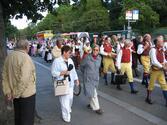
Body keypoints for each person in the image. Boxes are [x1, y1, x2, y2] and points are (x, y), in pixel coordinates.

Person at [2, 39, 36, 125]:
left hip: (15, 94)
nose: (29, 48)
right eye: (28, 46)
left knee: (18, 118)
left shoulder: (9, 56)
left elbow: (4, 76)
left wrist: (8, 92)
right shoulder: (25, 58)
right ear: (25, 47)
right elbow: (24, 80)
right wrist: (15, 93)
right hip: (26, 95)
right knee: (27, 120)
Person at [51, 45, 80, 123]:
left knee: (70, 98)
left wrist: (76, 79)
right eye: (69, 52)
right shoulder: (57, 61)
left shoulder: (70, 60)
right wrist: (62, 73)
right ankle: (66, 116)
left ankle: (68, 109)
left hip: (70, 84)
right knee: (64, 102)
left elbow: (73, 71)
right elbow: (53, 73)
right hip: (62, 83)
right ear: (64, 52)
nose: (70, 54)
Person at [80, 45, 103, 114]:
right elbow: (81, 66)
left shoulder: (99, 58)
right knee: (94, 94)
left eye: (97, 50)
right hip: (88, 78)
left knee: (92, 92)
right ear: (92, 50)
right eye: (94, 50)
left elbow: (98, 67)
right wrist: (86, 73)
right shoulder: (87, 57)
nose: (95, 51)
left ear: (99, 51)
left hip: (96, 78)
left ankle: (91, 104)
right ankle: (97, 108)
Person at [145, 36, 167, 106]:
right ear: (157, 42)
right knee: (151, 85)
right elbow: (154, 61)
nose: (163, 42)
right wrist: (163, 67)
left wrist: (165, 63)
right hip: (154, 71)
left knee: (164, 85)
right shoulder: (153, 50)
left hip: (160, 71)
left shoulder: (161, 49)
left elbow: (163, 59)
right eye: (161, 41)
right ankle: (148, 98)